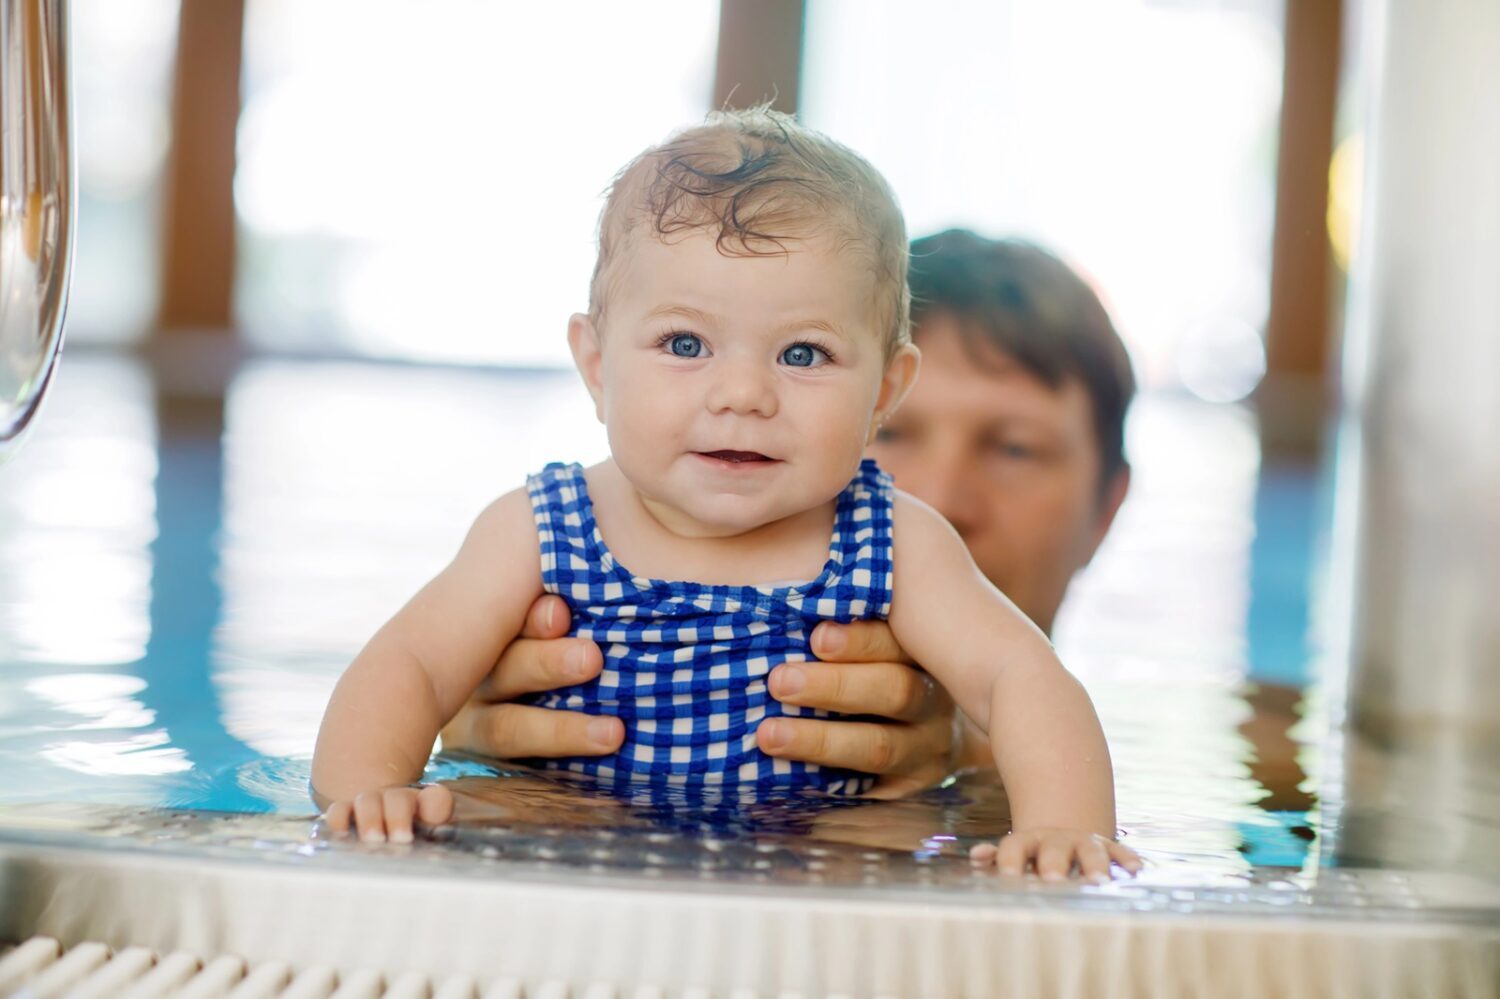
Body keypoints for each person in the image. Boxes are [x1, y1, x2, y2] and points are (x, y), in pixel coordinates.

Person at [313, 108, 1140, 881]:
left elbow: (1020, 676)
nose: (743, 393)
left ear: (885, 390)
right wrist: (369, 790)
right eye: (685, 343)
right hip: (561, 829)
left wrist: (1068, 827)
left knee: (883, 844)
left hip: (821, 855)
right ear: (597, 365)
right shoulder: (537, 528)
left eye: (804, 355)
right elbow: (411, 662)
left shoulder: (897, 541)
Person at [441, 230, 1136, 791]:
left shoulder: (1240, 752)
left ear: (1108, 510)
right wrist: (468, 740)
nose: (941, 497)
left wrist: (970, 763)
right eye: (890, 435)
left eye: (1014, 448)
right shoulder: (548, 551)